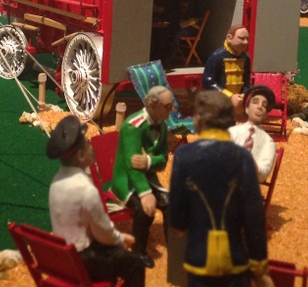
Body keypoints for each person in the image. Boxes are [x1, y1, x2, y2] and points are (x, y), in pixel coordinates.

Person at [169, 90, 273, 287]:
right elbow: (254, 216)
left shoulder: (184, 156)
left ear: (199, 119)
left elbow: (177, 216)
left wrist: (181, 225)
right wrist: (259, 265)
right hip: (235, 261)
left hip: (198, 259)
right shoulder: (243, 158)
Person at [47, 116, 146, 287]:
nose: (91, 147)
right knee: (136, 263)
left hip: (64, 256)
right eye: (87, 145)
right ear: (80, 155)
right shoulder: (86, 190)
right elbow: (103, 232)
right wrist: (119, 240)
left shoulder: (55, 183)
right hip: (83, 259)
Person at [110, 85, 174, 268]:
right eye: (167, 106)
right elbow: (132, 166)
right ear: (153, 105)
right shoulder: (133, 126)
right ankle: (138, 252)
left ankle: (174, 247)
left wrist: (148, 161)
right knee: (144, 210)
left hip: (148, 177)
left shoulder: (162, 126)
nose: (171, 110)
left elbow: (162, 161)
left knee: (171, 203)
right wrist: (145, 193)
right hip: (126, 182)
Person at [228, 86, 278, 182]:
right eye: (255, 102)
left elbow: (264, 173)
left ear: (266, 115)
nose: (259, 107)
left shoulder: (268, 142)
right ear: (247, 109)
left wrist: (254, 167)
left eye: (264, 105)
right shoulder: (232, 132)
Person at [202, 24, 251, 119]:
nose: (246, 42)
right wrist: (229, 96)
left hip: (238, 103)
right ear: (229, 38)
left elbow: (246, 82)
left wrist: (243, 95)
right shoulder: (217, 56)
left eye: (247, 39)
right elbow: (207, 82)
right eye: (241, 38)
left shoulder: (246, 58)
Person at [162, 0, 203, 68]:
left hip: (191, 27)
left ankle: (169, 60)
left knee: (175, 32)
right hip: (178, 24)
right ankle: (164, 56)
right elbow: (172, 9)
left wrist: (188, 22)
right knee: (166, 30)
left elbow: (200, 15)